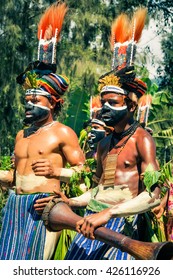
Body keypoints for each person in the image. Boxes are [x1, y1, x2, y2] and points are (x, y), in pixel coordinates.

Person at [35, 7, 161, 260]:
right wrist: (71, 202)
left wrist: (110, 214)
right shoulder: (104, 144)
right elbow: (98, 191)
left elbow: (153, 196)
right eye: (103, 102)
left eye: (113, 102)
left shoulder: (141, 140)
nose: (105, 108)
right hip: (91, 221)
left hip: (121, 228)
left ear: (132, 106)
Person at [0, 2, 85, 260]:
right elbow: (16, 176)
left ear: (53, 103)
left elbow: (86, 175)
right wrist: (5, 177)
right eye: (27, 100)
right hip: (15, 206)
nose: (29, 105)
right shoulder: (21, 135)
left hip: (44, 208)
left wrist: (57, 172)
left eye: (35, 100)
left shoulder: (63, 133)